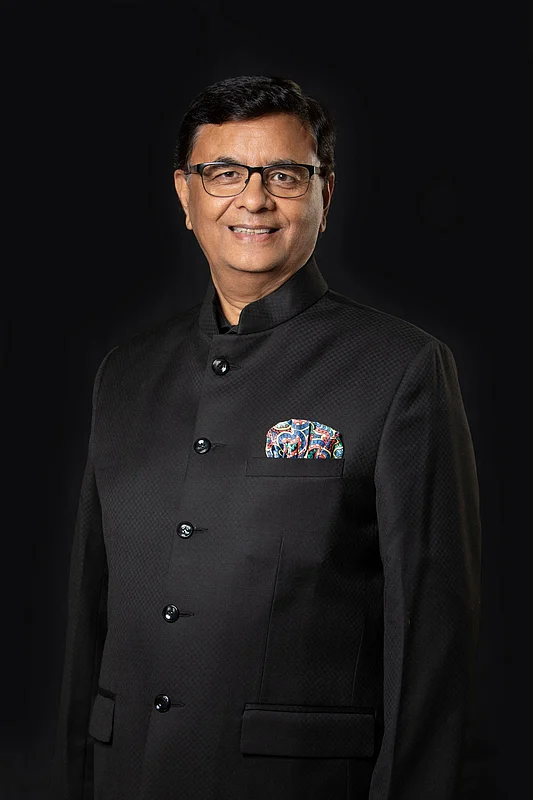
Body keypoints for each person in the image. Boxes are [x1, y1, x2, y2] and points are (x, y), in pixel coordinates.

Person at [50, 75, 482, 800]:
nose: (253, 199)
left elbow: (430, 649)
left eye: (283, 175)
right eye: (224, 173)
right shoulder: (124, 374)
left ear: (324, 194)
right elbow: (89, 614)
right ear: (186, 195)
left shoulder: (399, 368)